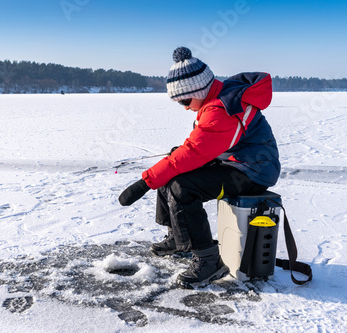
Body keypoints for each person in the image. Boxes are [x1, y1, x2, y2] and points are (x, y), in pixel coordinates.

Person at [118, 46, 280, 288]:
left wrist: (145, 182)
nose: (184, 107)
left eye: (185, 99)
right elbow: (199, 146)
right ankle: (178, 239)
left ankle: (208, 260)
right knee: (172, 175)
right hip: (236, 162)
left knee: (182, 187)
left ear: (199, 90)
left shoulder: (220, 110)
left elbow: (193, 152)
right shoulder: (218, 98)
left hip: (253, 172)